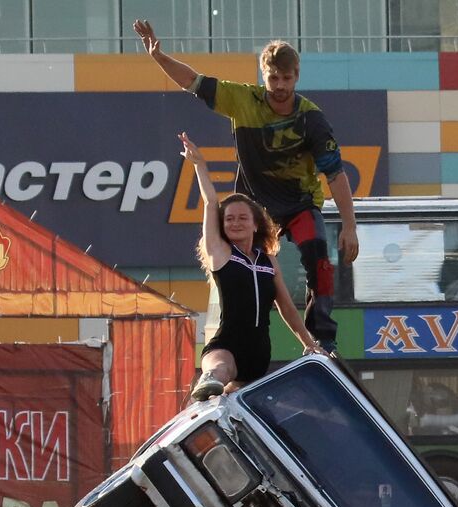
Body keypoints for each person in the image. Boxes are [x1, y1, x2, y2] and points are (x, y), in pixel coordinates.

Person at [133, 20, 358, 355]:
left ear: (296, 76)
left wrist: (350, 227)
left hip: (299, 204)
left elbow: (336, 175)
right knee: (238, 265)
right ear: (263, 75)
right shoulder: (242, 99)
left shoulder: (311, 119)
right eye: (273, 78)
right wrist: (159, 56)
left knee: (318, 255)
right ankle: (234, 333)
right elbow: (193, 82)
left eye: (286, 79)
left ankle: (323, 339)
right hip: (256, 208)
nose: (280, 86)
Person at [180, 133, 321, 402]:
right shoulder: (220, 253)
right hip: (227, 347)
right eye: (229, 219)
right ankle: (207, 384)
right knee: (220, 371)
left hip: (258, 356)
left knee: (243, 408)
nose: (235, 223)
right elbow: (211, 203)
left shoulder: (268, 261)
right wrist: (199, 165)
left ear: (255, 224)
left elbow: (287, 308)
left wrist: (309, 343)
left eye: (243, 218)